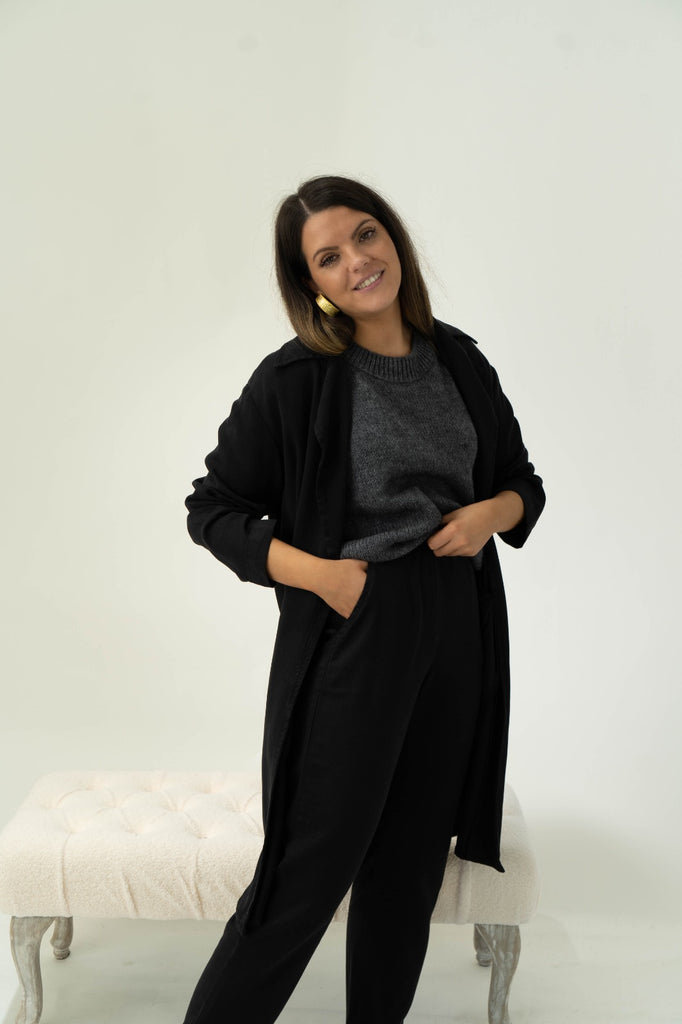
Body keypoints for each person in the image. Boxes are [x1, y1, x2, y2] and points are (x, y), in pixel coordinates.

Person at [181, 174, 545, 1024]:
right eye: (329, 257)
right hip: (361, 627)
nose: (357, 262)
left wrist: (490, 514)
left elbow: (521, 481)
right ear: (311, 282)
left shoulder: (459, 360)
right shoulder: (295, 379)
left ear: (394, 239)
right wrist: (324, 575)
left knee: (407, 871)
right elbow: (212, 509)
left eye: (366, 235)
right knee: (305, 871)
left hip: (457, 625)